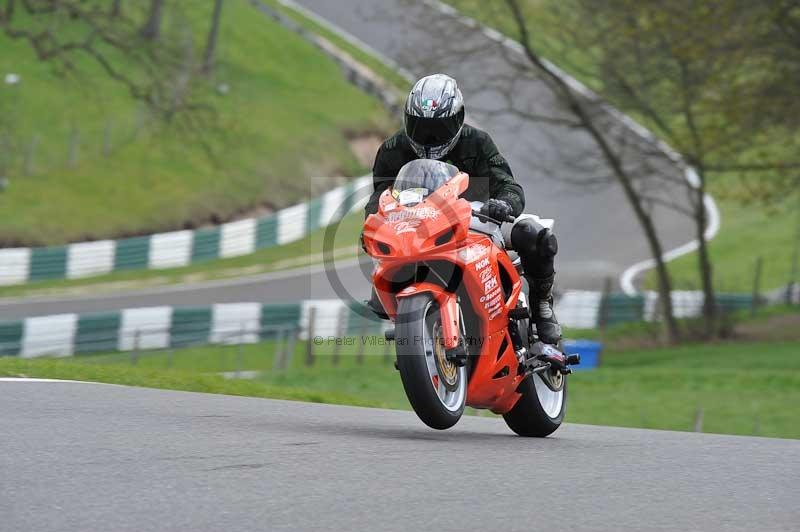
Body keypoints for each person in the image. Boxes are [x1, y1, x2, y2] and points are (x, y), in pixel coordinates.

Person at [364, 74, 561, 345]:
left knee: (533, 234)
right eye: (420, 127)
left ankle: (542, 306)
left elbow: (508, 184)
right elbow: (379, 196)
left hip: (477, 222)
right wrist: (373, 223)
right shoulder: (392, 150)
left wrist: (504, 204)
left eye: (440, 127)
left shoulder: (477, 142)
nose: (430, 137)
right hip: (418, 229)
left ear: (458, 118)